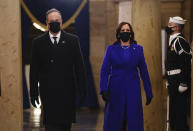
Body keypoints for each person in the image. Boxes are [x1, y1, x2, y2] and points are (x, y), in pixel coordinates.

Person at [30, 8, 87, 131]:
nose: (54, 23)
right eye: (51, 21)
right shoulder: (38, 43)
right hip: (48, 94)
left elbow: (79, 67)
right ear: (47, 23)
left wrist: (83, 89)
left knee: (65, 127)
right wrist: (33, 93)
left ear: (61, 22)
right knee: (50, 127)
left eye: (57, 21)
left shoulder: (73, 40)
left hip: (67, 93)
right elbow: (34, 71)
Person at [100, 22, 153, 131]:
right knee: (114, 120)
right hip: (115, 89)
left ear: (131, 33)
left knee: (134, 120)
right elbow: (104, 70)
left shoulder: (138, 49)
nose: (125, 32)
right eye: (123, 30)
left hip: (133, 89)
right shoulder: (111, 49)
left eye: (127, 31)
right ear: (119, 33)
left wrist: (149, 92)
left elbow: (144, 71)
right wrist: (103, 89)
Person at [165, 16, 192, 131]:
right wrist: (169, 79)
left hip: (179, 83)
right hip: (173, 81)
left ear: (175, 27)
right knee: (173, 115)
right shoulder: (174, 40)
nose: (168, 26)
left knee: (179, 116)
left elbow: (186, 63)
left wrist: (184, 83)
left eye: (169, 25)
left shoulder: (180, 41)